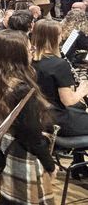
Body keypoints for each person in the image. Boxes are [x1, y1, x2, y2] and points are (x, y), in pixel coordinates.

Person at [0, 30, 56, 205]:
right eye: (29, 49)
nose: (32, 52)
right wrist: (50, 164)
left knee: (7, 198)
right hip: (21, 156)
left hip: (1, 151)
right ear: (17, 56)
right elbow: (32, 137)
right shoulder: (20, 89)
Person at [32, 19, 88, 175]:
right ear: (52, 38)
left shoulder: (30, 60)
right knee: (78, 108)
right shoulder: (58, 64)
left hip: (42, 116)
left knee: (79, 110)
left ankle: (79, 165)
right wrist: (82, 90)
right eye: (59, 34)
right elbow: (68, 100)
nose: (62, 37)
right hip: (58, 122)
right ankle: (79, 165)